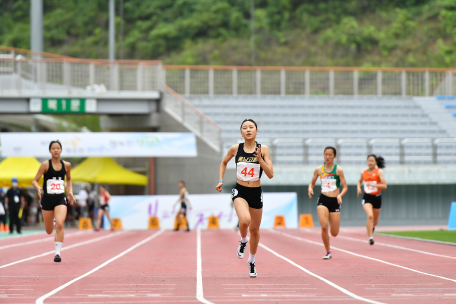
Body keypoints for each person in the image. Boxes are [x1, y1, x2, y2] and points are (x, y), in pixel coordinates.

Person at [216, 119, 274, 278]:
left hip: (256, 193)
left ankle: (252, 260)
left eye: (251, 127)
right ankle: (243, 240)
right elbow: (223, 162)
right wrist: (221, 180)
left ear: (256, 131)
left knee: (255, 230)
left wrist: (260, 159)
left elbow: (270, 174)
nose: (248, 130)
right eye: (244, 128)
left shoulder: (264, 149)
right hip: (240, 191)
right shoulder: (235, 149)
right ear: (241, 132)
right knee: (245, 221)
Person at [32, 140, 75, 262]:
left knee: (60, 224)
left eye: (58, 148)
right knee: (49, 230)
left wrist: (70, 192)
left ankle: (57, 254)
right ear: (50, 151)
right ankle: (53, 221)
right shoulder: (45, 165)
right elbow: (34, 180)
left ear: (61, 150)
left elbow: (69, 179)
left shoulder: (67, 165)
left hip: (60, 198)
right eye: (53, 148)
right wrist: (38, 188)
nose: (56, 150)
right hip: (47, 200)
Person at [308, 147, 348, 260]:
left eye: (330, 155)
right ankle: (328, 250)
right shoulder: (319, 169)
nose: (328, 157)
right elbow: (311, 183)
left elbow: (345, 187)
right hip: (323, 199)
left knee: (334, 232)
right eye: (326, 154)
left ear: (334, 156)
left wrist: (340, 195)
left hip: (335, 201)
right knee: (324, 226)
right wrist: (310, 189)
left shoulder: (338, 170)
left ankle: (330, 243)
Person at [357, 155, 387, 245]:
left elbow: (384, 186)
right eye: (369, 161)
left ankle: (372, 226)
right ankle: (370, 237)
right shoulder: (363, 172)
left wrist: (374, 185)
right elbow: (359, 181)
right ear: (367, 162)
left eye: (372, 161)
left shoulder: (379, 172)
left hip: (377, 197)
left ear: (375, 162)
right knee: (370, 216)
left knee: (375, 220)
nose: (370, 162)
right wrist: (358, 188)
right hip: (367, 197)